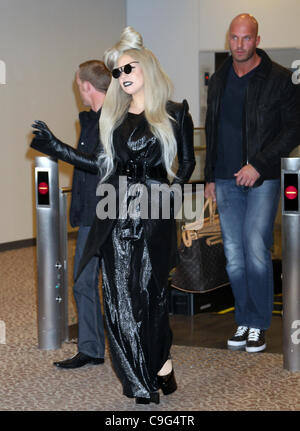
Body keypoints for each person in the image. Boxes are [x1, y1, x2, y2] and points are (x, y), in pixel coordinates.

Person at [30, 27, 195, 404]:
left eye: (127, 68)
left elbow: (187, 162)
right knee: (119, 301)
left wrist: (172, 190)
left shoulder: (174, 112)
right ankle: (140, 384)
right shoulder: (114, 119)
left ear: (147, 67)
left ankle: (161, 363)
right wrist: (57, 147)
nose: (122, 76)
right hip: (116, 213)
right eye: (117, 72)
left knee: (151, 301)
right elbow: (99, 165)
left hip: (155, 215)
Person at [204, 14, 300, 353]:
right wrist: (209, 175)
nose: (239, 45)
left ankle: (258, 323)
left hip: (262, 178)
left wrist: (258, 164)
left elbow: (293, 129)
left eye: (246, 39)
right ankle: (243, 319)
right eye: (234, 38)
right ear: (228, 38)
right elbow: (212, 128)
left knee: (256, 249)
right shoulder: (219, 79)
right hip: (225, 179)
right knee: (233, 255)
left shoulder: (279, 79)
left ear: (257, 40)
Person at [35, 60, 111, 369]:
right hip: (91, 212)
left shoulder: (115, 119)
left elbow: (99, 163)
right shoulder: (91, 120)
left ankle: (125, 349)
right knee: (83, 281)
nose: (77, 90)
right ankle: (91, 348)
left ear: (87, 86)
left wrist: (58, 148)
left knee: (117, 286)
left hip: (109, 213)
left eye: (78, 85)